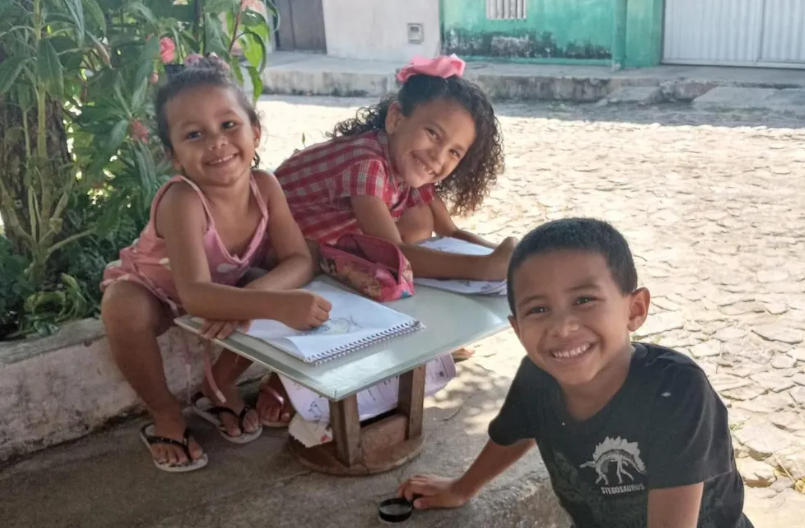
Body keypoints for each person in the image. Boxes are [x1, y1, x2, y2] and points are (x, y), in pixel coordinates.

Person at [397, 218, 753, 528]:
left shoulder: (675, 391)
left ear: (635, 308)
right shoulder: (537, 378)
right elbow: (517, 433)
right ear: (518, 329)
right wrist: (462, 488)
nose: (562, 327)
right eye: (538, 309)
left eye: (584, 300)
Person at [100, 55, 332, 472]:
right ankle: (165, 413)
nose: (217, 142)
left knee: (277, 281)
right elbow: (194, 294)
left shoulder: (266, 187)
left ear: (255, 132)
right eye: (194, 134)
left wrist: (255, 295)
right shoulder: (183, 199)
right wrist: (271, 305)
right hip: (159, 292)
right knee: (121, 306)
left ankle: (218, 384)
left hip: (222, 290)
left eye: (229, 125)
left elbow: (300, 259)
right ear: (173, 156)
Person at [259, 55, 515, 421]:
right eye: (433, 134)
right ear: (395, 118)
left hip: (322, 246)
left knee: (418, 220)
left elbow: (452, 232)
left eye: (454, 152)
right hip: (274, 248)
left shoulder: (405, 167)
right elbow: (392, 254)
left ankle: (415, 342)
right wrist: (486, 267)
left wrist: (514, 259)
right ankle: (282, 377)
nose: (437, 157)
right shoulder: (367, 162)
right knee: (384, 272)